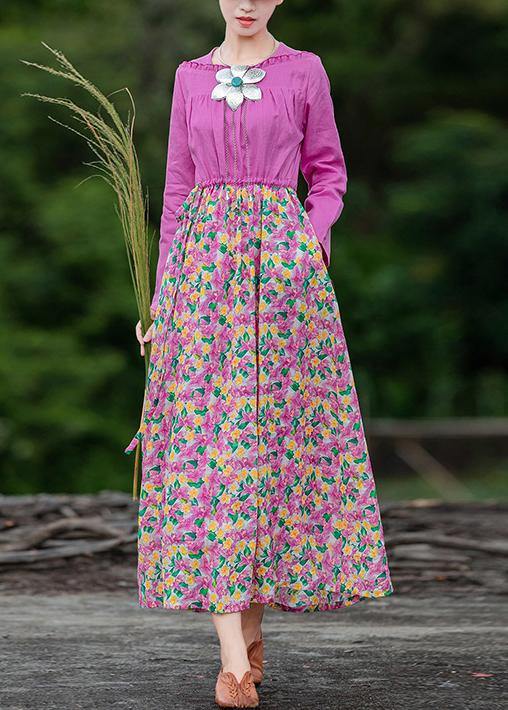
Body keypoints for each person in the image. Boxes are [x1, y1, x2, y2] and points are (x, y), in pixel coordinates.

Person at [126, 1, 394, 706]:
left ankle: (249, 629)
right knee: (212, 451)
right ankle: (232, 661)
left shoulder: (305, 71)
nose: (246, 1)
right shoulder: (188, 76)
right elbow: (177, 191)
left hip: (282, 278)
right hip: (203, 276)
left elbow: (328, 176)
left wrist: (308, 245)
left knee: (267, 451)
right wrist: (164, 298)